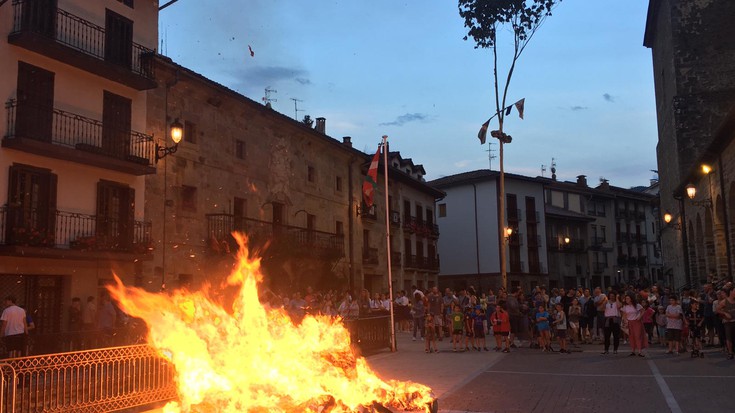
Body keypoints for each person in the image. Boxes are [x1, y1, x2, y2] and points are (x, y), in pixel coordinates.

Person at [716, 288, 735, 359]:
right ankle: (730, 352)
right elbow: (717, 310)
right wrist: (725, 313)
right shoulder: (724, 302)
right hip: (728, 322)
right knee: (729, 338)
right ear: (731, 292)